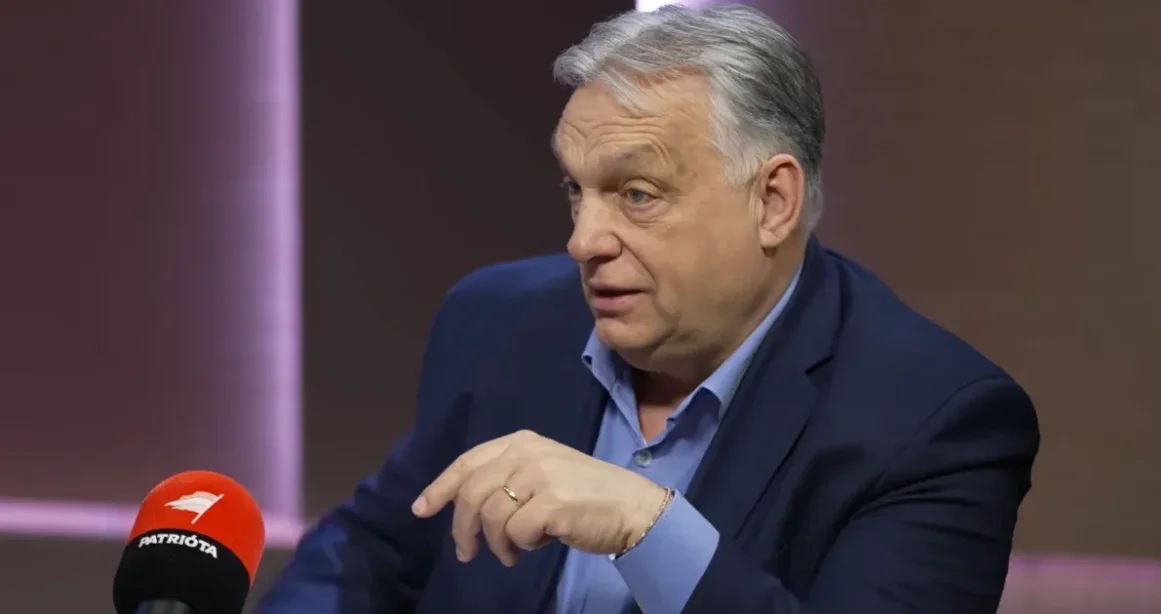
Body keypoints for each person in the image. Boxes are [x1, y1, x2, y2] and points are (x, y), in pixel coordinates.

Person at [257, 4, 1040, 613]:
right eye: (578, 190)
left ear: (773, 202)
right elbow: (370, 555)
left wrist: (651, 529)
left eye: (637, 195)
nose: (583, 241)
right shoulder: (498, 323)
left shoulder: (933, 424)